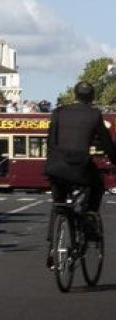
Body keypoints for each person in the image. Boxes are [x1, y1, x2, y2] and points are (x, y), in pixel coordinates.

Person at [45, 81, 116, 268]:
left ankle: (52, 247)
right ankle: (90, 218)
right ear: (92, 98)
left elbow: (51, 142)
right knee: (98, 185)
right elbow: (108, 144)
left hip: (56, 166)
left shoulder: (58, 113)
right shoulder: (94, 115)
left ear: (74, 96)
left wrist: (51, 164)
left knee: (58, 204)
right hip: (80, 166)